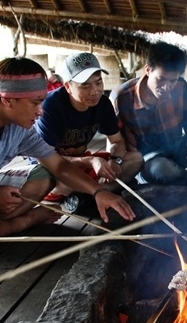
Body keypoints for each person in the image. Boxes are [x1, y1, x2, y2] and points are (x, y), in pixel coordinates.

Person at [0, 56, 135, 236]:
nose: (40, 111)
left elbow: (58, 164)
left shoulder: (21, 129)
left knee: (45, 175)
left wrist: (98, 192)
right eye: (35, 103)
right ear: (8, 100)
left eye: (41, 101)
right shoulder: (51, 108)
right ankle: (20, 223)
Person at [110, 41, 187, 189]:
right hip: (147, 161)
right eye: (161, 80)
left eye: (172, 81)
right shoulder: (121, 98)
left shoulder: (180, 86)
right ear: (148, 70)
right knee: (163, 170)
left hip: (176, 149)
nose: (167, 87)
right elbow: (114, 140)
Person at [34, 52, 143, 205]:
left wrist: (115, 160)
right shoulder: (50, 107)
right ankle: (93, 192)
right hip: (50, 167)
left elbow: (117, 141)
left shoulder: (103, 104)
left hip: (81, 162)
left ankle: (89, 195)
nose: (95, 91)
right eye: (85, 85)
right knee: (62, 181)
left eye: (98, 83)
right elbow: (48, 158)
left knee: (135, 159)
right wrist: (90, 161)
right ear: (68, 87)